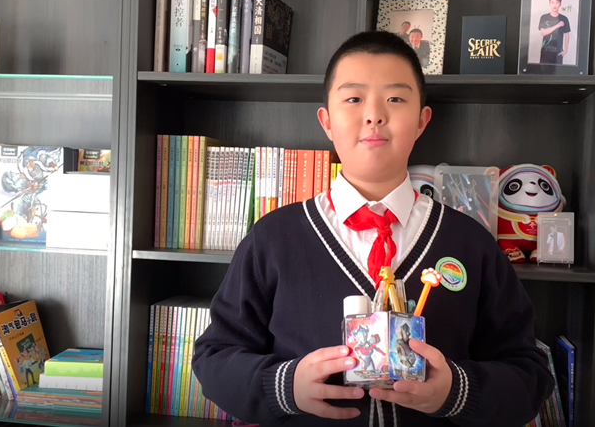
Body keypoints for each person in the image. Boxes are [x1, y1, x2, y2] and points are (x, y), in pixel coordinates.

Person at [192, 31, 554, 427]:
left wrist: (457, 391)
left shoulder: (471, 243)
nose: (374, 115)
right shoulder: (273, 238)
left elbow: (530, 375)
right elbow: (215, 358)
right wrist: (284, 386)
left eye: (395, 99)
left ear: (422, 121)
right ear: (327, 121)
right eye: (353, 99)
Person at [538, 0, 570, 65]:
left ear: (560, 4)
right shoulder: (544, 17)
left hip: (558, 54)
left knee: (557, 72)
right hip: (545, 53)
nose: (554, 5)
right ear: (549, 4)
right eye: (552, 2)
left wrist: (566, 50)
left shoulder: (564, 19)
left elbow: (567, 35)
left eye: (557, 2)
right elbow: (543, 33)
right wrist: (558, 25)